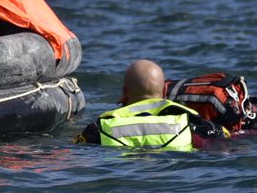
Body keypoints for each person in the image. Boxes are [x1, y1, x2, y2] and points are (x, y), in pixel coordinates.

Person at [76, 59, 228, 150]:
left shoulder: (97, 129)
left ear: (124, 93)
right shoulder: (193, 123)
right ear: (163, 91)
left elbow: (76, 148)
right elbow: (224, 141)